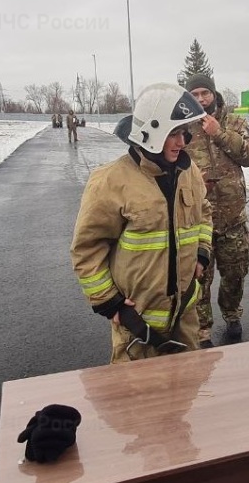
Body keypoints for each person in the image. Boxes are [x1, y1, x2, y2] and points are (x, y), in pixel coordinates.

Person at [71, 83, 213, 363]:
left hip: (185, 319)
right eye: (174, 134)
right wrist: (109, 302)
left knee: (188, 396)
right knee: (136, 403)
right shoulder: (110, 180)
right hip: (136, 327)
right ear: (151, 134)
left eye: (184, 132)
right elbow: (87, 250)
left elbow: (204, 212)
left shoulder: (190, 171)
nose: (182, 142)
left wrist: (201, 253)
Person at [183, 74, 249, 347]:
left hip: (232, 220)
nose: (201, 99)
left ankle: (231, 314)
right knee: (198, 280)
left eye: (205, 93)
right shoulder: (183, 127)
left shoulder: (234, 122)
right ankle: (202, 329)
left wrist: (218, 133)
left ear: (214, 94)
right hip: (197, 221)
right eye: (195, 95)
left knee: (235, 275)